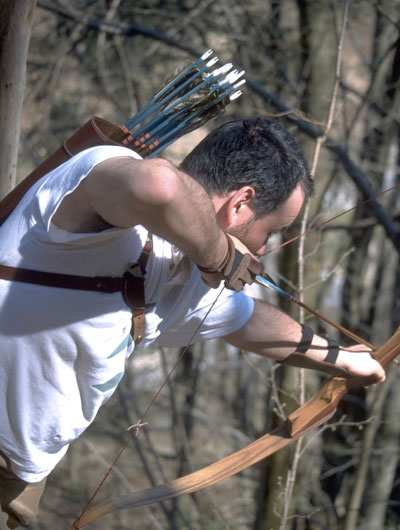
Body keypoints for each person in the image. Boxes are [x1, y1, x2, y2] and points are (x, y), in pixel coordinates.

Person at [0, 117, 385, 529]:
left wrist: (341, 358)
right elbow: (159, 187)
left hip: (19, 480)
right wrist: (220, 255)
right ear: (240, 205)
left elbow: (247, 321)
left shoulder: (187, 276)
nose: (267, 246)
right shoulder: (103, 174)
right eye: (274, 231)